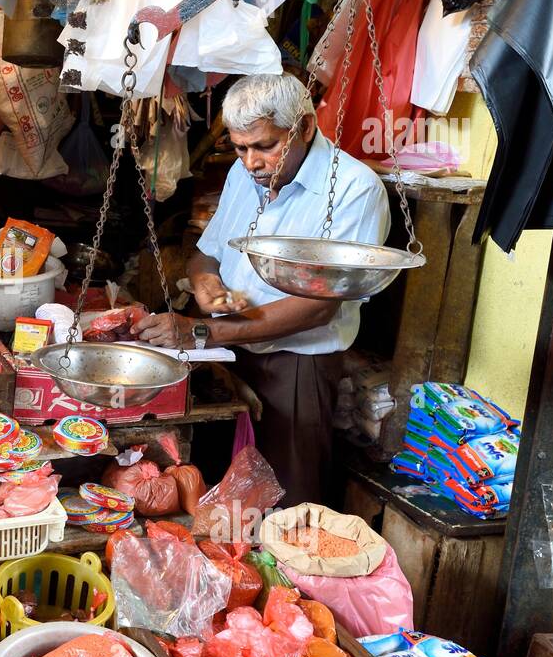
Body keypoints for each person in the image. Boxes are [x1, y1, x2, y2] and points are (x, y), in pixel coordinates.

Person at [134, 73, 390, 507]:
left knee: (285, 501)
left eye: (267, 146)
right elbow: (206, 253)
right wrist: (206, 287)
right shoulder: (242, 173)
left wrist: (203, 332)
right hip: (229, 356)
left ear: (305, 127)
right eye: (240, 147)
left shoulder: (354, 190)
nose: (252, 162)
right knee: (216, 494)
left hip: (295, 366)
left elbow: (317, 309)